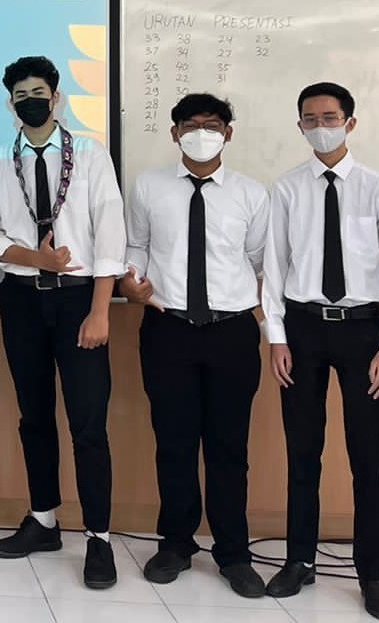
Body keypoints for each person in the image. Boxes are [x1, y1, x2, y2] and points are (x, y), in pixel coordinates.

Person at [263, 82, 379, 620]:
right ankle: (298, 561)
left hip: (362, 333)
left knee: (367, 458)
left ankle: (372, 574)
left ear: (350, 122)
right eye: (310, 119)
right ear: (300, 126)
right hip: (303, 330)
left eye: (330, 117)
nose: (320, 126)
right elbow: (274, 268)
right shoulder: (286, 189)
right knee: (302, 453)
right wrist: (277, 337)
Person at [0, 55, 124, 589]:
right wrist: (33, 258)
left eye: (39, 93)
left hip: (80, 301)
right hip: (21, 300)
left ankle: (99, 538)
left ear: (56, 98)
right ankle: (43, 520)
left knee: (88, 423)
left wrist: (101, 310)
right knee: (33, 415)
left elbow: (110, 232)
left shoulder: (90, 154)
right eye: (21, 96)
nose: (30, 102)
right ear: (10, 104)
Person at [118, 94, 269, 598]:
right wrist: (131, 281)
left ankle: (234, 553)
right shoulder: (148, 186)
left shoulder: (251, 194)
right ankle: (176, 544)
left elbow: (260, 260)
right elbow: (136, 246)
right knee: (174, 442)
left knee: (229, 447)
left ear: (229, 133)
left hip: (232, 331)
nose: (201, 133)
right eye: (190, 125)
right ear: (174, 132)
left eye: (212, 125)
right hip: (169, 327)